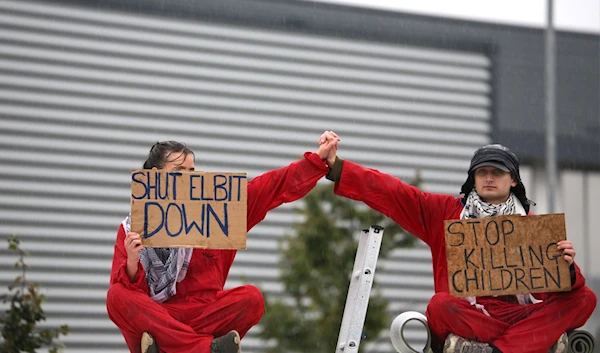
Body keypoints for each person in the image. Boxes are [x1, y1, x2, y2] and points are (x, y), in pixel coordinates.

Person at [320, 133, 597, 353]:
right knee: (440, 306)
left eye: (497, 172)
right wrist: (339, 168)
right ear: (472, 178)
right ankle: (532, 345)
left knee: (586, 298)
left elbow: (569, 290)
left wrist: (568, 269)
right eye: (482, 172)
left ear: (513, 180)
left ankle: (493, 351)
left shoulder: (535, 226)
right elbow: (393, 192)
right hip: (474, 318)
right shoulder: (444, 213)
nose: (489, 178)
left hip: (521, 315)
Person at [107, 133, 340, 353]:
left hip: (202, 317)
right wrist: (133, 260)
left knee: (251, 299)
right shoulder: (131, 228)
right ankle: (203, 349)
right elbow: (128, 296)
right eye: (180, 171)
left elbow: (271, 187)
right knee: (117, 296)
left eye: (192, 171)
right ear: (155, 176)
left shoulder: (218, 211)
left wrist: (316, 161)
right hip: (158, 317)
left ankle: (170, 347)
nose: (189, 178)